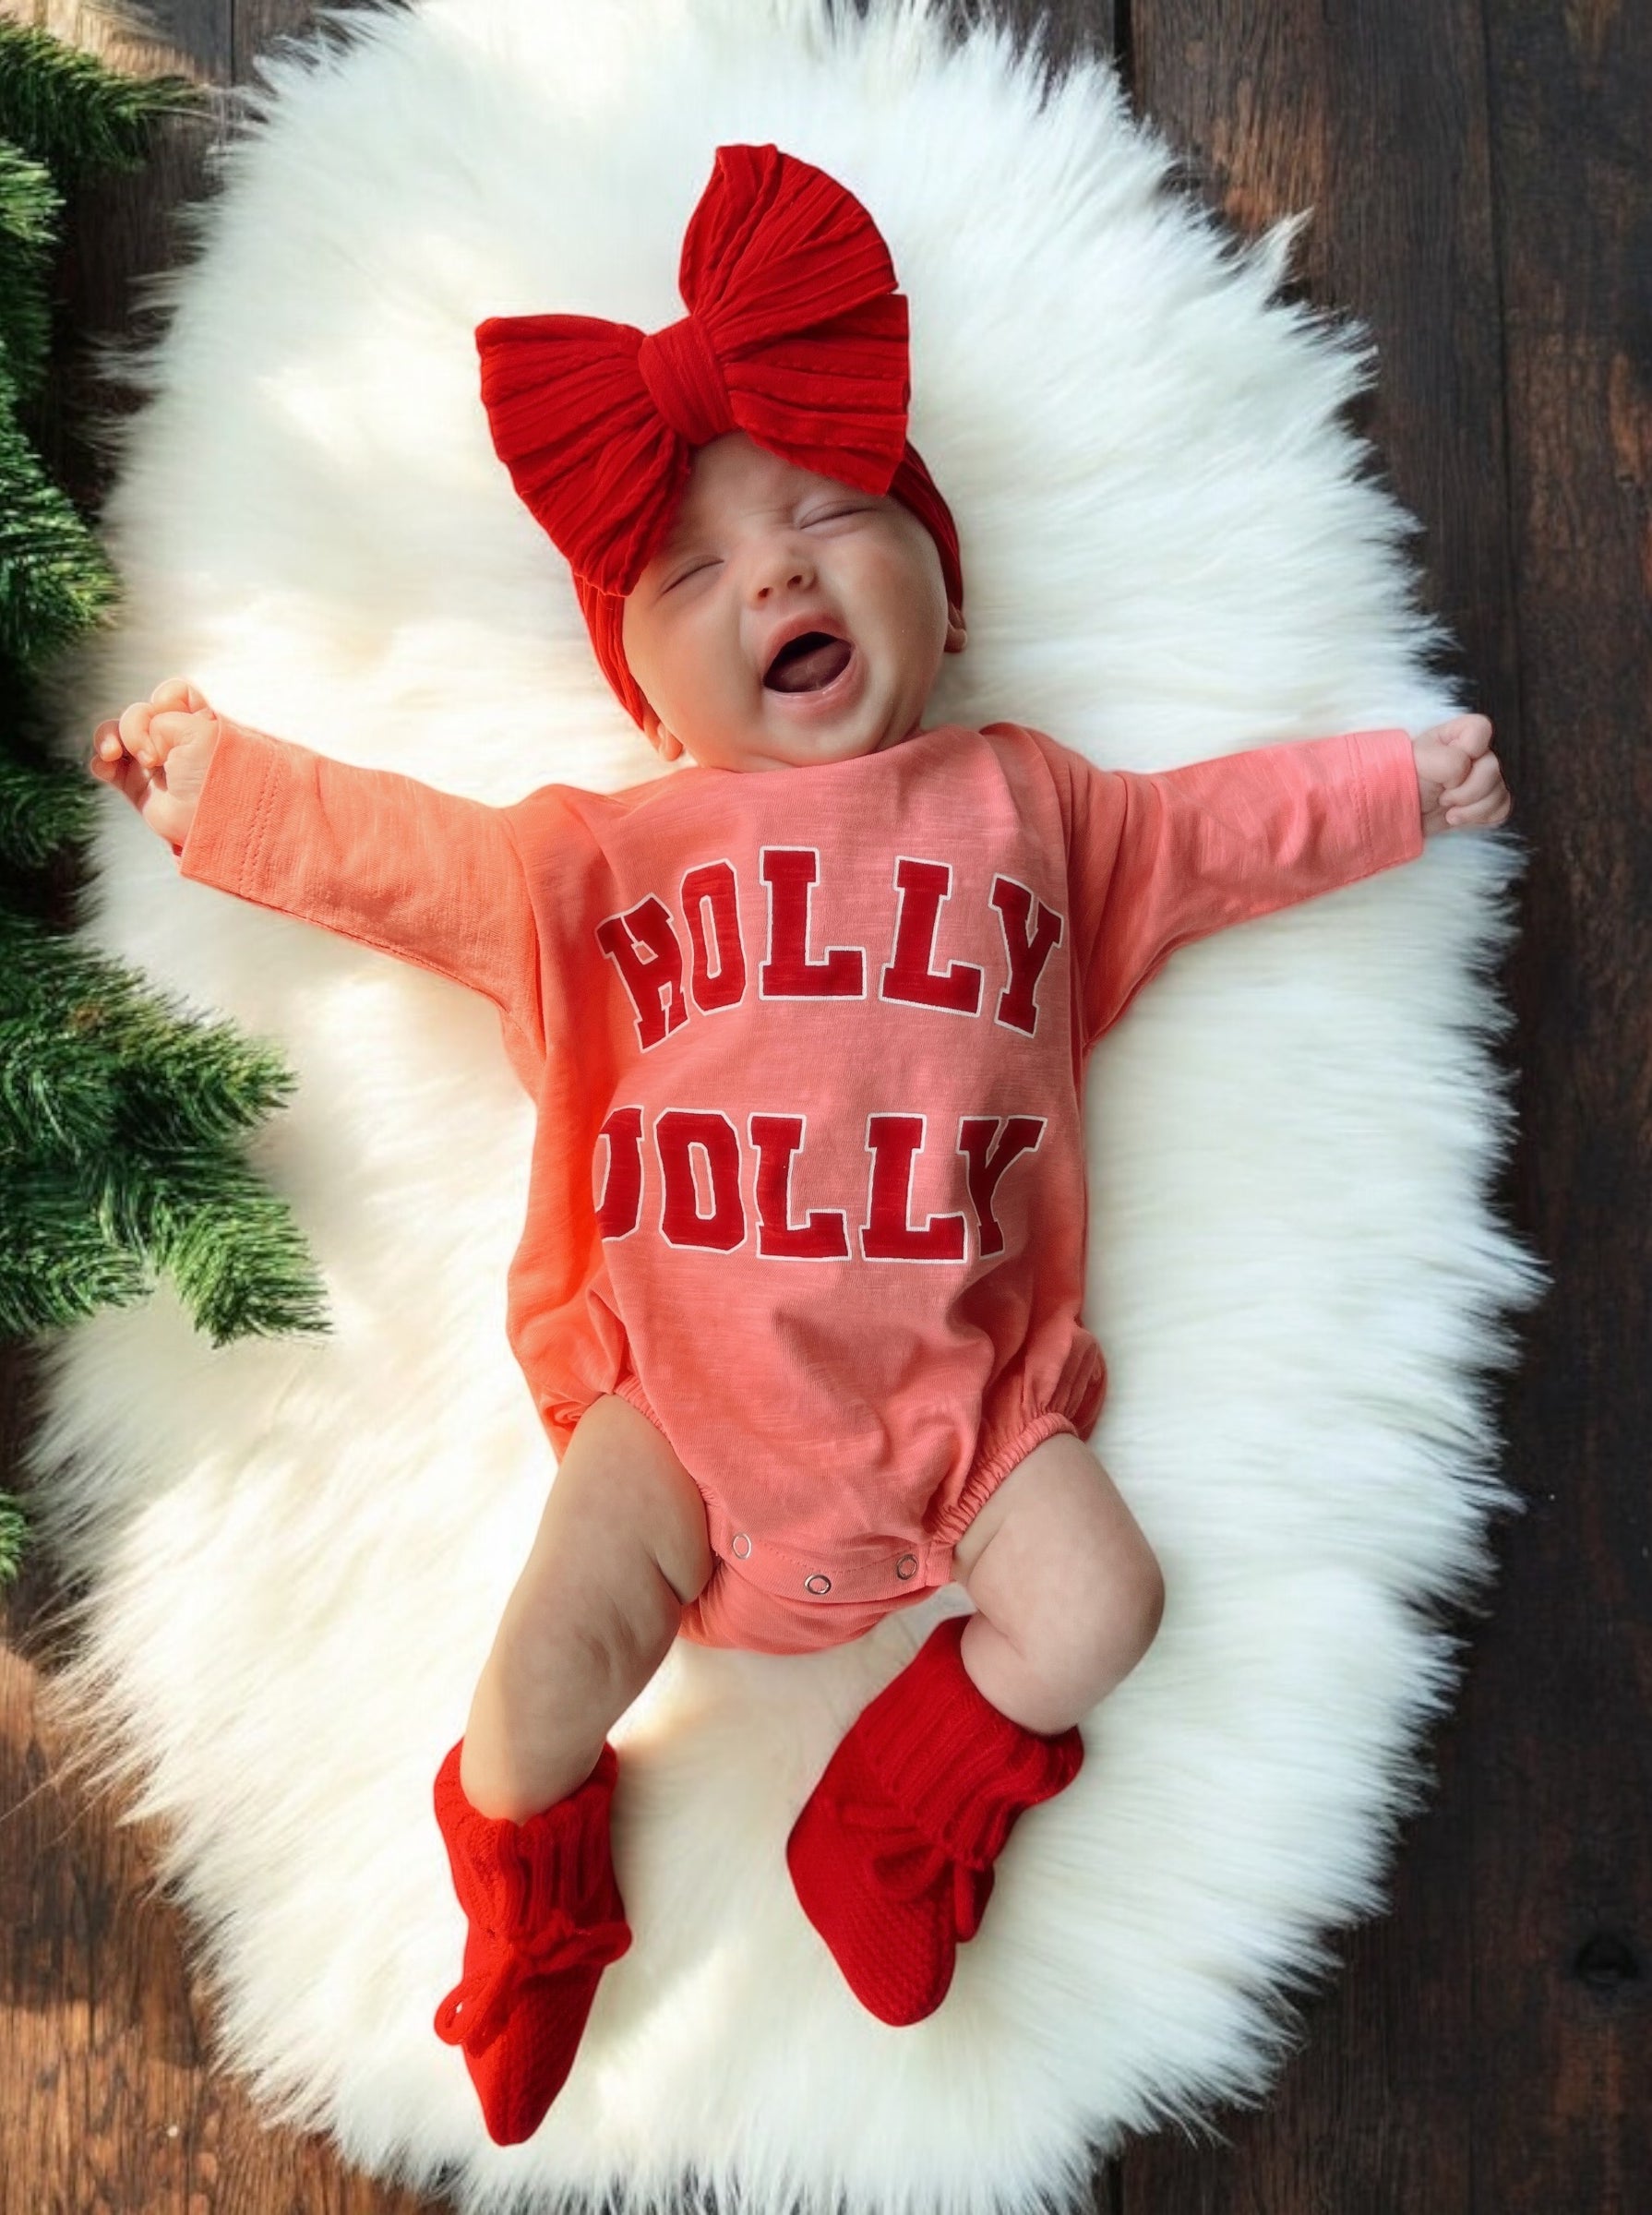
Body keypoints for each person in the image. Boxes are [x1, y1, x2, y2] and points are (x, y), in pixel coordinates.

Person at [88, 142, 1511, 2146]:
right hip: (674, 1422)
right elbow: (391, 857)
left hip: (959, 1424)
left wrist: (1388, 785)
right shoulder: (598, 860)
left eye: (832, 517)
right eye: (692, 571)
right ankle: (534, 1908)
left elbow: (1223, 829)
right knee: (534, 1682)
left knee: (1100, 1607)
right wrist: (221, 788)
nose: (773, 575)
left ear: (940, 577)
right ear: (647, 687)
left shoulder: (1041, 811)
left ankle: (897, 1823)